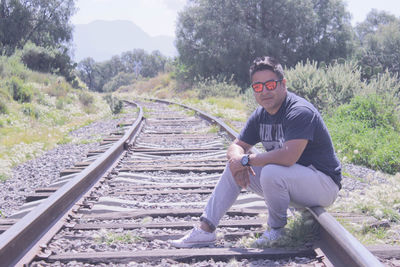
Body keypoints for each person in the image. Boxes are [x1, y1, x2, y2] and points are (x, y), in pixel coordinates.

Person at [170, 56, 342, 248]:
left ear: (283, 84)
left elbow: (287, 157)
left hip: (323, 184)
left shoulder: (299, 111)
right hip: (292, 182)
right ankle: (205, 229)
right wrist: (237, 161)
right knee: (232, 167)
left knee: (270, 170)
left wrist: (246, 161)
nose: (265, 91)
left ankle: (276, 231)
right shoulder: (261, 114)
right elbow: (236, 146)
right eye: (258, 87)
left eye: (270, 84)